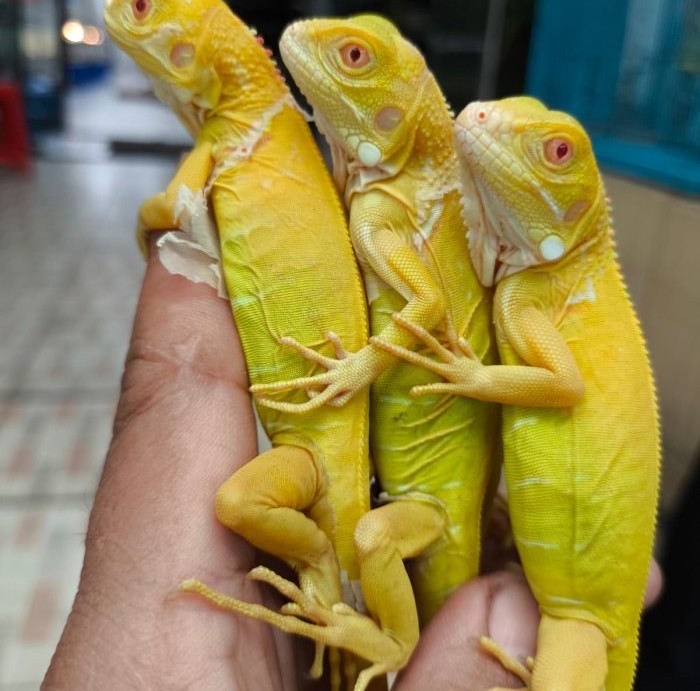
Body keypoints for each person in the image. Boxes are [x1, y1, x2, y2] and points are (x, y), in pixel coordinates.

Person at [41, 244, 662, 690]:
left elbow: (443, 312)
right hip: (428, 503)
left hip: (441, 524)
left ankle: (397, 641)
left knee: (373, 539)